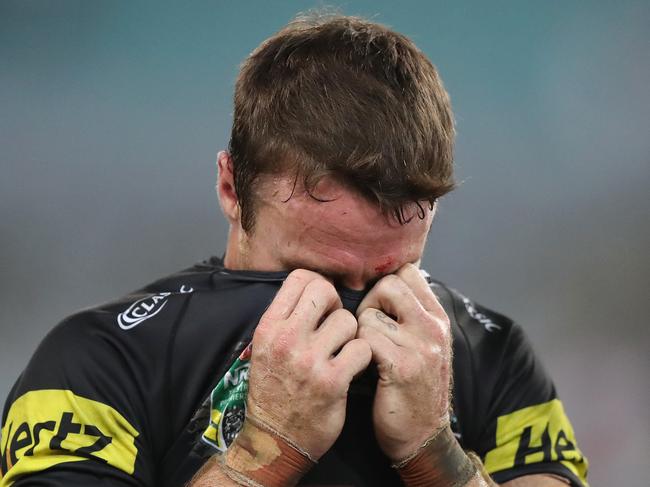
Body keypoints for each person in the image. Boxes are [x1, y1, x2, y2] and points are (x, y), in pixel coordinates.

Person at [0, 13, 588, 487]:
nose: (354, 311)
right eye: (312, 274)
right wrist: (267, 451)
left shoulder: (495, 352)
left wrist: (436, 456)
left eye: (394, 271)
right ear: (232, 188)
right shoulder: (97, 361)